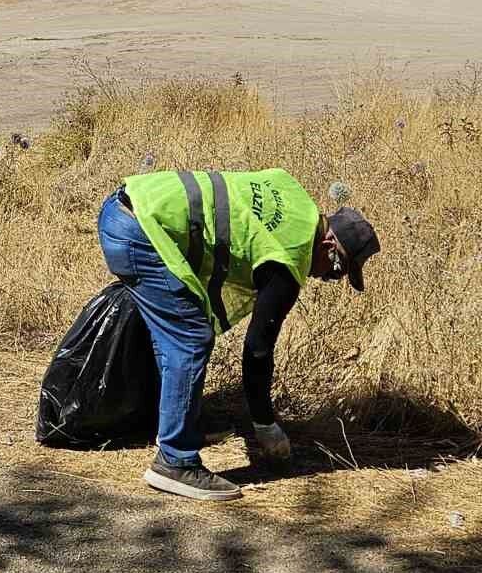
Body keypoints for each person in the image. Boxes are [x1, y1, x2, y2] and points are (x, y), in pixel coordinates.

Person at [97, 168, 380, 502]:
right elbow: (258, 348)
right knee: (190, 337)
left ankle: (177, 424)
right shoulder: (289, 255)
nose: (331, 279)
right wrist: (264, 425)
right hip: (141, 231)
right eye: (339, 269)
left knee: (179, 329)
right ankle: (175, 461)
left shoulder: (293, 196)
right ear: (329, 245)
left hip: (126, 207)